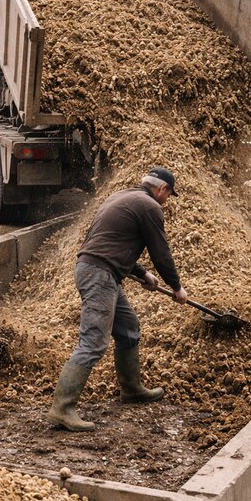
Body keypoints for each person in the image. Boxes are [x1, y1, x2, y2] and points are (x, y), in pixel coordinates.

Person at [47, 166, 188, 432]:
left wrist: (142, 273)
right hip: (100, 275)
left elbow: (111, 243)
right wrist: (176, 287)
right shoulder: (150, 207)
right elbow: (161, 252)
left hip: (98, 269)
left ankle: (132, 389)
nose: (167, 200)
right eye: (169, 195)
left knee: (128, 327)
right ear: (163, 189)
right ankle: (62, 408)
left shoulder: (120, 197)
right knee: (93, 341)